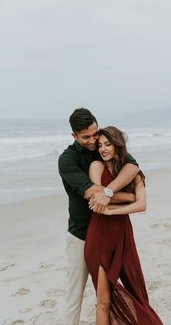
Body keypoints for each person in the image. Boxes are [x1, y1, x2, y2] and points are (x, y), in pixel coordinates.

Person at [58, 109, 139, 325]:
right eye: (86, 137)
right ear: (74, 136)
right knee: (74, 296)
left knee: (110, 293)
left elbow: (132, 166)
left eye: (95, 133)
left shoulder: (102, 146)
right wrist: (130, 196)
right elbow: (92, 193)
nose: (94, 140)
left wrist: (110, 191)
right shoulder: (67, 160)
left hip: (109, 233)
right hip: (81, 235)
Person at [84, 126, 164, 325]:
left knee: (136, 290)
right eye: (100, 145)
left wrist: (112, 209)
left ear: (117, 145)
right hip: (99, 236)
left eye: (108, 144)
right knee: (103, 300)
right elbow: (98, 196)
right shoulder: (96, 166)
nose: (103, 149)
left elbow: (141, 205)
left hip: (122, 236)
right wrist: (129, 197)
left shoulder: (132, 172)